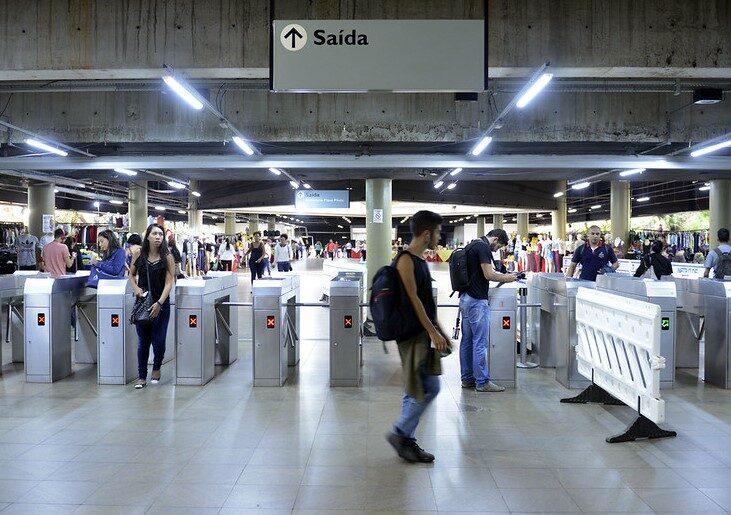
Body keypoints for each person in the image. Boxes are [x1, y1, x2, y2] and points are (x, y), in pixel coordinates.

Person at [386, 210, 449, 464]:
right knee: (430, 386)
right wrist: (432, 332)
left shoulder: (419, 260)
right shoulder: (406, 260)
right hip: (412, 335)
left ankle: (407, 444)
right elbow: (413, 300)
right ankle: (400, 433)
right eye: (437, 232)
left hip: (422, 332)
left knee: (413, 389)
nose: (439, 236)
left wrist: (438, 330)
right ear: (426, 234)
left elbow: (424, 301)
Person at [459, 228, 518, 393]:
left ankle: (467, 379)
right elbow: (488, 274)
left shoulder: (472, 245)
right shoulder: (483, 247)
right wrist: (508, 278)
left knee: (467, 341)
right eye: (499, 246)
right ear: (496, 239)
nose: (497, 249)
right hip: (477, 300)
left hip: (465, 298)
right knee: (480, 342)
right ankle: (482, 382)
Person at [129, 224, 175, 389]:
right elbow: (131, 275)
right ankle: (141, 376)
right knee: (143, 341)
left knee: (159, 341)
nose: (158, 237)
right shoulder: (139, 255)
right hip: (143, 304)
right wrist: (136, 289)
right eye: (155, 233)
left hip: (161, 304)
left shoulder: (167, 256)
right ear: (147, 236)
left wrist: (159, 303)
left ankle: (156, 366)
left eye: (161, 234)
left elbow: (170, 282)